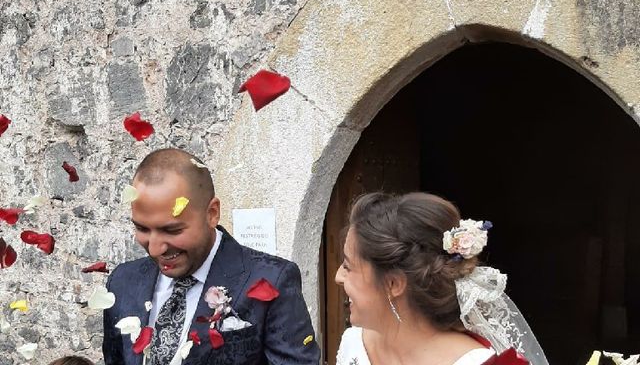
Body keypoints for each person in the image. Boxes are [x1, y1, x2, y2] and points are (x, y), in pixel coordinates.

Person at [103, 148, 320, 365]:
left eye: (172, 230)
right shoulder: (122, 282)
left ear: (212, 213)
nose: (155, 248)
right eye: (142, 229)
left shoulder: (274, 280)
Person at [335, 192, 548, 365]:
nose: (338, 277)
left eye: (348, 266)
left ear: (393, 284)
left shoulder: (476, 362)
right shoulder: (353, 343)